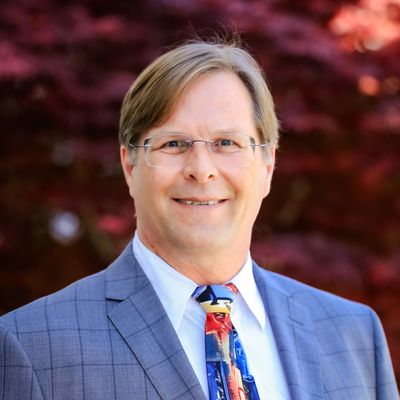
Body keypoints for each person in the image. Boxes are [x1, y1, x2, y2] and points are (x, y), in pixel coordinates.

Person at [0, 38, 398, 400]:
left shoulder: (354, 335)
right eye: (174, 143)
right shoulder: (31, 349)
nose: (202, 169)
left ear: (267, 166)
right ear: (129, 165)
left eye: (227, 142)